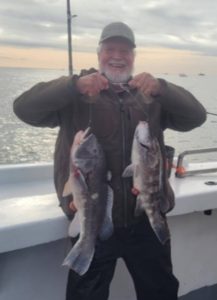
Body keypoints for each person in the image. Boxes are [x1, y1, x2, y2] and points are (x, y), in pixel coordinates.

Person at [13, 22, 206, 300]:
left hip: (145, 220)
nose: (117, 55)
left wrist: (162, 88)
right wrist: (73, 86)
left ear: (134, 57)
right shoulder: (76, 95)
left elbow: (196, 117)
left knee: (161, 291)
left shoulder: (149, 96)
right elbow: (23, 109)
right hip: (92, 216)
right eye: (110, 49)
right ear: (99, 53)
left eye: (125, 50)